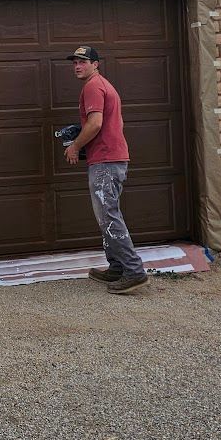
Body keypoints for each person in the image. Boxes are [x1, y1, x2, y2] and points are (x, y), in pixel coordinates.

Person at [63, 45, 148, 295]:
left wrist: (75, 147)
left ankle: (134, 272)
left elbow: (96, 123)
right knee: (108, 214)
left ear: (95, 64)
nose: (78, 66)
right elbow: (108, 123)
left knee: (109, 217)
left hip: (106, 162)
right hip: (111, 158)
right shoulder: (103, 85)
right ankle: (117, 267)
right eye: (75, 62)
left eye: (83, 62)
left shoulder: (92, 86)